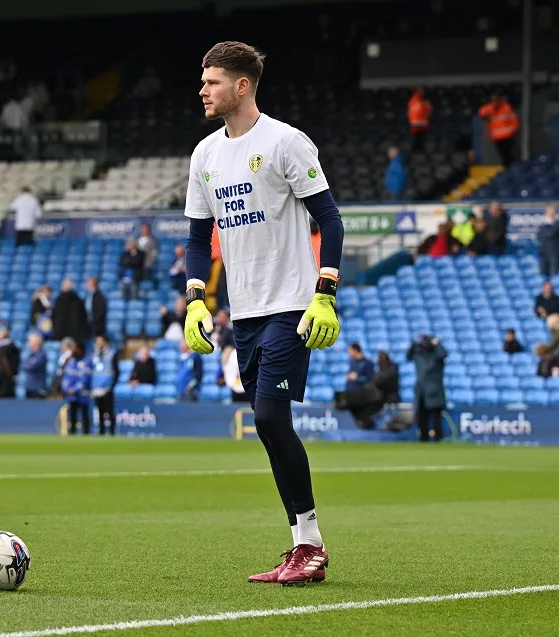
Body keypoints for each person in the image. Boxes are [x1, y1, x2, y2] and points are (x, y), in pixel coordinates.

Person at [183, 42, 344, 585]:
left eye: (212, 81)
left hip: (290, 304)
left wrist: (326, 291)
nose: (203, 90)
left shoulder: (284, 141)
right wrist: (194, 300)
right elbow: (197, 235)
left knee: (273, 418)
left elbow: (331, 219)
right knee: (268, 426)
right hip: (245, 310)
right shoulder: (204, 154)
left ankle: (311, 547)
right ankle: (303, 545)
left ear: (242, 85)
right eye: (203, 82)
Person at [406, 335, 447, 443]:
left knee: (436, 419)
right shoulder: (418, 356)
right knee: (421, 419)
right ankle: (423, 439)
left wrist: (437, 343)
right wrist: (413, 343)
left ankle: (438, 439)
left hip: (435, 392)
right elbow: (408, 356)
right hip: (421, 392)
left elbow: (443, 354)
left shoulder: (436, 356)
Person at [477, 94, 520, 168]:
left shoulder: (507, 107)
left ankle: (512, 169)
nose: (495, 102)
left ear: (500, 100)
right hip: (497, 137)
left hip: (508, 136)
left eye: (496, 100)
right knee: (503, 155)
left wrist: (513, 130)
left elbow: (514, 120)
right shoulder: (490, 108)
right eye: (493, 100)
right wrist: (492, 107)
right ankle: (507, 169)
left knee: (510, 154)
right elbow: (481, 112)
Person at [61, 342, 92, 434]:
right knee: (72, 417)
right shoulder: (71, 361)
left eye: (76, 348)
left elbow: (85, 379)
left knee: (84, 417)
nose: (73, 351)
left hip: (83, 394)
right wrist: (66, 388)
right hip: (71, 396)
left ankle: (86, 435)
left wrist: (74, 389)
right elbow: (66, 376)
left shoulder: (87, 362)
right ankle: (72, 435)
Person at [91, 335, 118, 435]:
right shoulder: (94, 354)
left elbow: (116, 371)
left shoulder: (112, 353)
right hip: (96, 387)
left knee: (109, 411)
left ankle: (112, 432)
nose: (98, 344)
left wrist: (112, 385)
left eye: (100, 341)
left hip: (107, 387)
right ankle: (101, 432)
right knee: (100, 411)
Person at [537, 206, 559, 277]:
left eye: (548, 212)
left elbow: (551, 233)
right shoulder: (544, 224)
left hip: (554, 255)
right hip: (544, 253)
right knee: (543, 275)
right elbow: (539, 235)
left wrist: (545, 230)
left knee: (554, 275)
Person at [22, 333, 49, 398]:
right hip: (29, 387)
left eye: (30, 341)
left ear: (35, 343)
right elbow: (24, 365)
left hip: (37, 388)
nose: (28, 343)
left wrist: (27, 364)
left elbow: (31, 367)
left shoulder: (41, 355)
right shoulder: (31, 354)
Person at [407, 87, 432, 152]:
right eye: (419, 91)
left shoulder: (425, 102)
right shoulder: (413, 101)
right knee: (415, 140)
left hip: (423, 125)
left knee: (422, 140)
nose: (421, 93)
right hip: (415, 125)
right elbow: (412, 113)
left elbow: (429, 110)